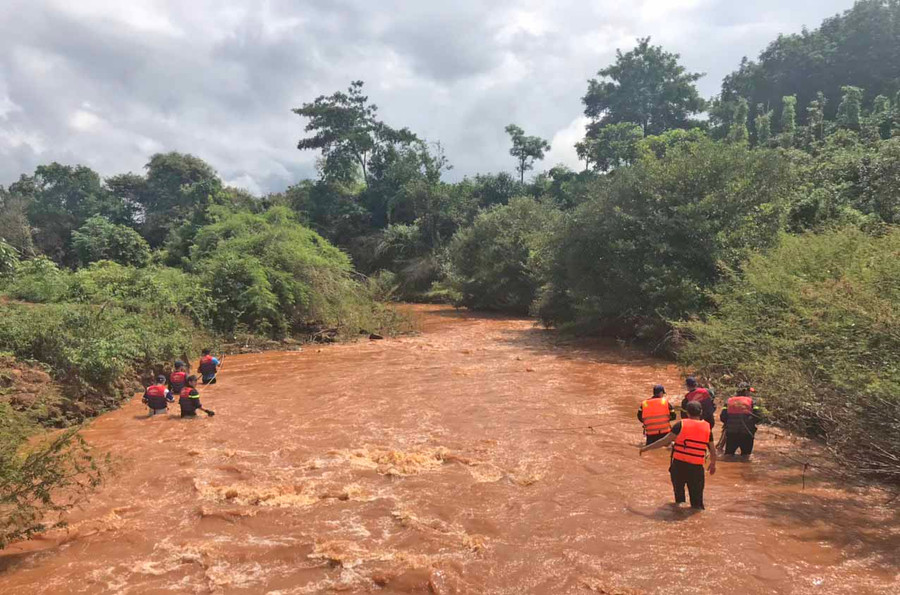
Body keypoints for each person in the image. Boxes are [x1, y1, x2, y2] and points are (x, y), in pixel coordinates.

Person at [640, 400, 717, 510]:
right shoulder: (707, 428)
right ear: (700, 413)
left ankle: (678, 519)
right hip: (696, 468)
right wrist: (713, 464)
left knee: (679, 500)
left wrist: (646, 448)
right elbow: (713, 451)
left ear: (687, 413)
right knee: (697, 504)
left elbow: (664, 441)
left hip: (679, 466)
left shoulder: (680, 425)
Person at [719, 382, 763, 458]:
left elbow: (723, 417)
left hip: (731, 434)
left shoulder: (729, 401)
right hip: (747, 434)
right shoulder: (753, 402)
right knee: (746, 458)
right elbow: (758, 417)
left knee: (728, 457)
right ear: (746, 391)